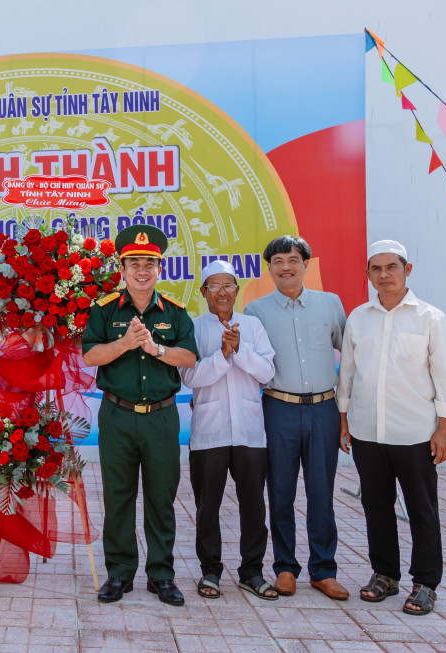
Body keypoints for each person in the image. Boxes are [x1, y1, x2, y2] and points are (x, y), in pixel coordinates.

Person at [337, 239, 446, 616]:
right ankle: (385, 574)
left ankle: (426, 582)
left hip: (415, 433)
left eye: (391, 267)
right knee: (376, 505)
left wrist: (445, 429)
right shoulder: (359, 318)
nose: (384, 275)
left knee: (421, 508)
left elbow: (444, 377)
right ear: (367, 274)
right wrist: (343, 419)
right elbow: (348, 374)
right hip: (367, 432)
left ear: (407, 270)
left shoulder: (431, 319)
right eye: (376, 269)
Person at [82, 224, 198, 606]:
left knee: (161, 498)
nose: (142, 270)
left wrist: (155, 349)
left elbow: (189, 357)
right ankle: (119, 573)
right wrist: (126, 343)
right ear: (122, 268)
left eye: (149, 263)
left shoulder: (175, 313)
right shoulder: (104, 310)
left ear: (159, 268)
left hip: (161, 418)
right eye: (134, 263)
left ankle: (161, 575)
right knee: (118, 497)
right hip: (117, 415)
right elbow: (90, 356)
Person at [244, 235, 348, 601]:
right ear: (269, 268)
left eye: (292, 260)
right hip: (278, 409)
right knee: (280, 492)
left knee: (321, 493)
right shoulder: (256, 311)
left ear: (305, 264)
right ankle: (285, 568)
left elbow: (350, 357)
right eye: (278, 261)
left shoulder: (330, 304)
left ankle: (324, 570)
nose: (285, 267)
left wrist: (345, 412)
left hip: (323, 409)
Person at [179, 260, 278, 601]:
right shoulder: (193, 328)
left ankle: (252, 571)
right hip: (210, 432)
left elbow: (267, 373)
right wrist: (222, 355)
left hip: (250, 432)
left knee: (254, 505)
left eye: (228, 286)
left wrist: (239, 349)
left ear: (237, 290)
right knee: (208, 506)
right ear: (203, 292)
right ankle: (210, 570)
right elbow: (189, 377)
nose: (222, 292)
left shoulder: (252, 325)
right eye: (214, 286)